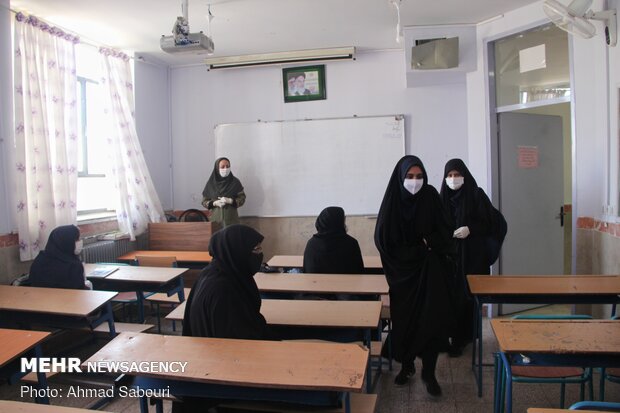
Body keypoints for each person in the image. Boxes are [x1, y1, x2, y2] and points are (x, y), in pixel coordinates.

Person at [374, 155, 456, 396]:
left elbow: (445, 230)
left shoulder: (430, 196)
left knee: (431, 322)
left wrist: (428, 242)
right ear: (401, 177)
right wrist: (419, 249)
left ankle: (429, 374)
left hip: (430, 274)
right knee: (405, 324)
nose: (415, 181)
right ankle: (407, 366)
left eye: (419, 177)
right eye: (410, 177)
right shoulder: (393, 201)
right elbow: (384, 241)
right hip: (403, 277)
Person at [173, 224, 274, 412]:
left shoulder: (217, 272)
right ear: (236, 250)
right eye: (255, 249)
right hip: (219, 377)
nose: (260, 254)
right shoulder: (223, 289)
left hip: (209, 362)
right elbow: (243, 344)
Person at [440, 158, 495, 357]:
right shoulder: (442, 197)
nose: (453, 179)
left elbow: (491, 223)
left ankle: (463, 338)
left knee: (467, 298)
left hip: (472, 258)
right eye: (450, 175)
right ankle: (447, 336)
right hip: (449, 258)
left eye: (457, 174)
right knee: (449, 298)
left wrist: (470, 229)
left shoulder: (476, 195)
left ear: (465, 175)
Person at [303, 206, 364, 275]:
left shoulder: (311, 244)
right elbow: (359, 272)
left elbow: (306, 271)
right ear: (340, 222)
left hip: (315, 285)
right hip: (346, 285)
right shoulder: (351, 243)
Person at [29, 225, 90, 290]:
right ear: (68, 241)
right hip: (68, 299)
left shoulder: (39, 259)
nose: (80, 241)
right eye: (77, 239)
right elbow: (79, 291)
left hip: (38, 299)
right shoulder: (73, 266)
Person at [201, 157, 246, 228]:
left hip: (232, 221)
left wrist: (231, 201)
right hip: (215, 221)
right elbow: (204, 202)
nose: (225, 169)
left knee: (232, 238)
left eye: (227, 166)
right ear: (217, 168)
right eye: (222, 167)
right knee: (216, 238)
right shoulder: (211, 184)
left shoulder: (235, 182)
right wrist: (214, 203)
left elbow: (242, 198)